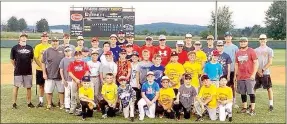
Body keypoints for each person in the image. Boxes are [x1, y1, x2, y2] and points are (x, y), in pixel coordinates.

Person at [234, 37, 258, 116]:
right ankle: (244, 108)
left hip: (249, 76)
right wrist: (235, 75)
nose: (243, 43)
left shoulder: (251, 51)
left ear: (247, 42)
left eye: (244, 42)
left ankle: (253, 109)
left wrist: (253, 74)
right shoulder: (238, 52)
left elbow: (256, 63)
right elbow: (236, 64)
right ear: (239, 43)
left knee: (251, 93)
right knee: (242, 93)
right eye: (241, 42)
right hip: (241, 76)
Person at [11, 32, 35, 109]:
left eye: (25, 36)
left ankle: (29, 102)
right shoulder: (14, 48)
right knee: (16, 87)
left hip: (28, 71)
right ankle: (14, 103)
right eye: (22, 36)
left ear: (27, 38)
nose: (24, 38)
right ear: (19, 38)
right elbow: (12, 59)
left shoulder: (30, 48)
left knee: (28, 87)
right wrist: (16, 66)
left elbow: (31, 59)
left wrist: (27, 65)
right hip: (18, 71)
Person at [42, 37, 65, 110]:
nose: (55, 43)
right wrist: (44, 73)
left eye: (56, 41)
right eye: (53, 41)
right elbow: (43, 63)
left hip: (60, 75)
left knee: (61, 91)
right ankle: (49, 104)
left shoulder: (63, 50)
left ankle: (61, 104)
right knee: (49, 91)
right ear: (51, 42)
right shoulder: (47, 51)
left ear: (59, 42)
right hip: (50, 74)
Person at [254, 34, 274, 111]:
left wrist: (262, 70)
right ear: (259, 40)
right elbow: (254, 62)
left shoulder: (269, 50)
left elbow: (270, 62)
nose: (262, 40)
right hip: (257, 72)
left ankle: (271, 104)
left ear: (266, 40)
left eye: (264, 39)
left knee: (269, 88)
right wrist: (257, 70)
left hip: (265, 72)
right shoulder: (255, 50)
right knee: (254, 88)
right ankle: (252, 103)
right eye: (261, 39)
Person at [34, 32, 51, 107]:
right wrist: (41, 66)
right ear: (41, 38)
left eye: (46, 36)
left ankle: (49, 101)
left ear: (48, 38)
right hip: (40, 69)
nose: (45, 38)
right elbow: (35, 58)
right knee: (41, 86)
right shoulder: (38, 47)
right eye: (43, 36)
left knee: (49, 86)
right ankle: (41, 101)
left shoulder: (50, 46)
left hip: (49, 69)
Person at [223, 32, 239, 107]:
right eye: (226, 36)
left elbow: (237, 59)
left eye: (229, 36)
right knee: (223, 85)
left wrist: (237, 70)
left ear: (231, 37)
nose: (228, 38)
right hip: (223, 69)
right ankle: (224, 100)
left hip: (232, 69)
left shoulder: (235, 47)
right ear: (224, 38)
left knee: (232, 86)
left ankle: (233, 101)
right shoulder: (222, 46)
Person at [59, 47, 75, 112]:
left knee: (73, 94)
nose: (67, 52)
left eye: (69, 51)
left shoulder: (74, 59)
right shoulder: (63, 60)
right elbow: (61, 70)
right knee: (67, 94)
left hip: (73, 80)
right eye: (66, 51)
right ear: (64, 52)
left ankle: (73, 105)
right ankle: (67, 106)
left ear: (71, 52)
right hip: (66, 80)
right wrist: (63, 79)